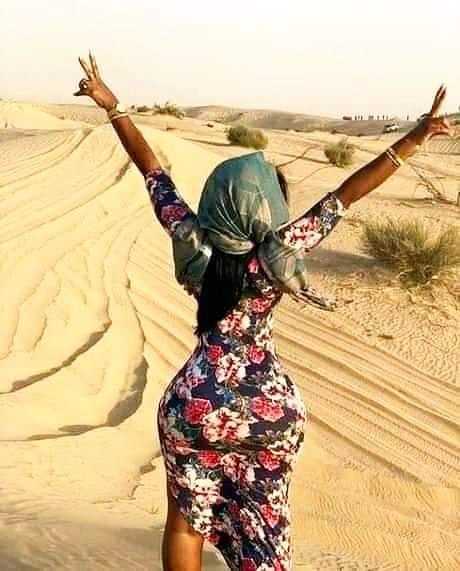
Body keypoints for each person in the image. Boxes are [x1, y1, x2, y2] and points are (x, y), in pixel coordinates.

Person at [74, 52, 453, 571]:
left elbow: (152, 171)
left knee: (184, 524)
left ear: (219, 202)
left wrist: (113, 107)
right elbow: (345, 195)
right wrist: (415, 138)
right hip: (269, 410)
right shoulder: (279, 255)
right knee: (265, 521)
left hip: (197, 403)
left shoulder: (192, 243)